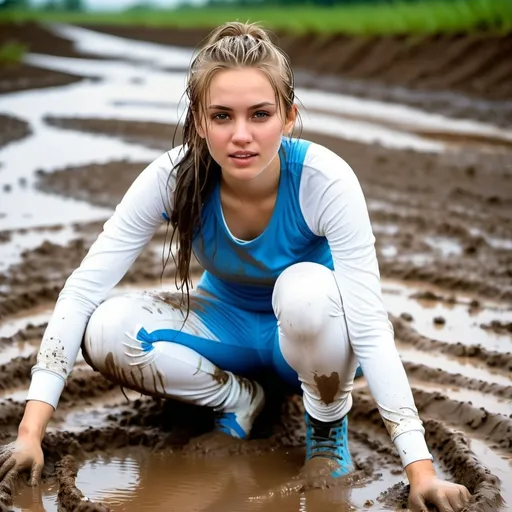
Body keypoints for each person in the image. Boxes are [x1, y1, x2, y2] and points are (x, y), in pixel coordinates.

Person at [0, 21, 471, 511]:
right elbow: (82, 289)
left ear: (288, 117)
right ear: (200, 121)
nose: (240, 135)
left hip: (311, 341)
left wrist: (421, 471)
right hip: (227, 334)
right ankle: (237, 400)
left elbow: (370, 324)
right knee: (105, 328)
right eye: (222, 116)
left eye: (260, 115)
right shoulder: (171, 177)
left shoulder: (324, 180)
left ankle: (327, 430)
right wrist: (31, 431)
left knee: (304, 290)